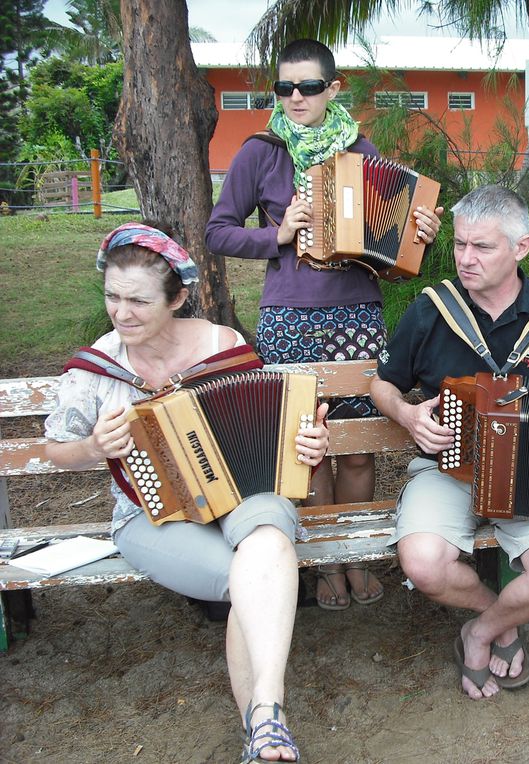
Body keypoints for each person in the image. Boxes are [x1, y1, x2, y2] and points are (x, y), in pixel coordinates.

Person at [45, 223, 330, 763]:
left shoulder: (223, 345)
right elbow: (57, 449)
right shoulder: (97, 370)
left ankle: (265, 714)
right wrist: (94, 447)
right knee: (249, 580)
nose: (121, 313)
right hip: (151, 516)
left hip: (245, 494)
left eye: (138, 301)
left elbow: (274, 424)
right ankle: (268, 728)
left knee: (268, 540)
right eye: (112, 296)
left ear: (176, 298)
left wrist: (309, 441)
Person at [206, 38, 442, 611]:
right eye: (283, 87)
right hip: (288, 319)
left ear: (333, 89)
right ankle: (326, 566)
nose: (293, 97)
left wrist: (417, 237)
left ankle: (358, 555)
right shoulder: (260, 152)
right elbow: (217, 231)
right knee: (305, 449)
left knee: (357, 450)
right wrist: (278, 235)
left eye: (307, 86)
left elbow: (387, 248)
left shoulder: (360, 150)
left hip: (357, 316)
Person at [369, 185, 529, 699]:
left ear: (520, 248)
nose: (465, 259)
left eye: (482, 247)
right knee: (422, 561)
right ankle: (501, 619)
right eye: (459, 245)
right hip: (445, 470)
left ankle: (478, 632)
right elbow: (381, 384)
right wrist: (408, 414)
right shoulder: (433, 309)